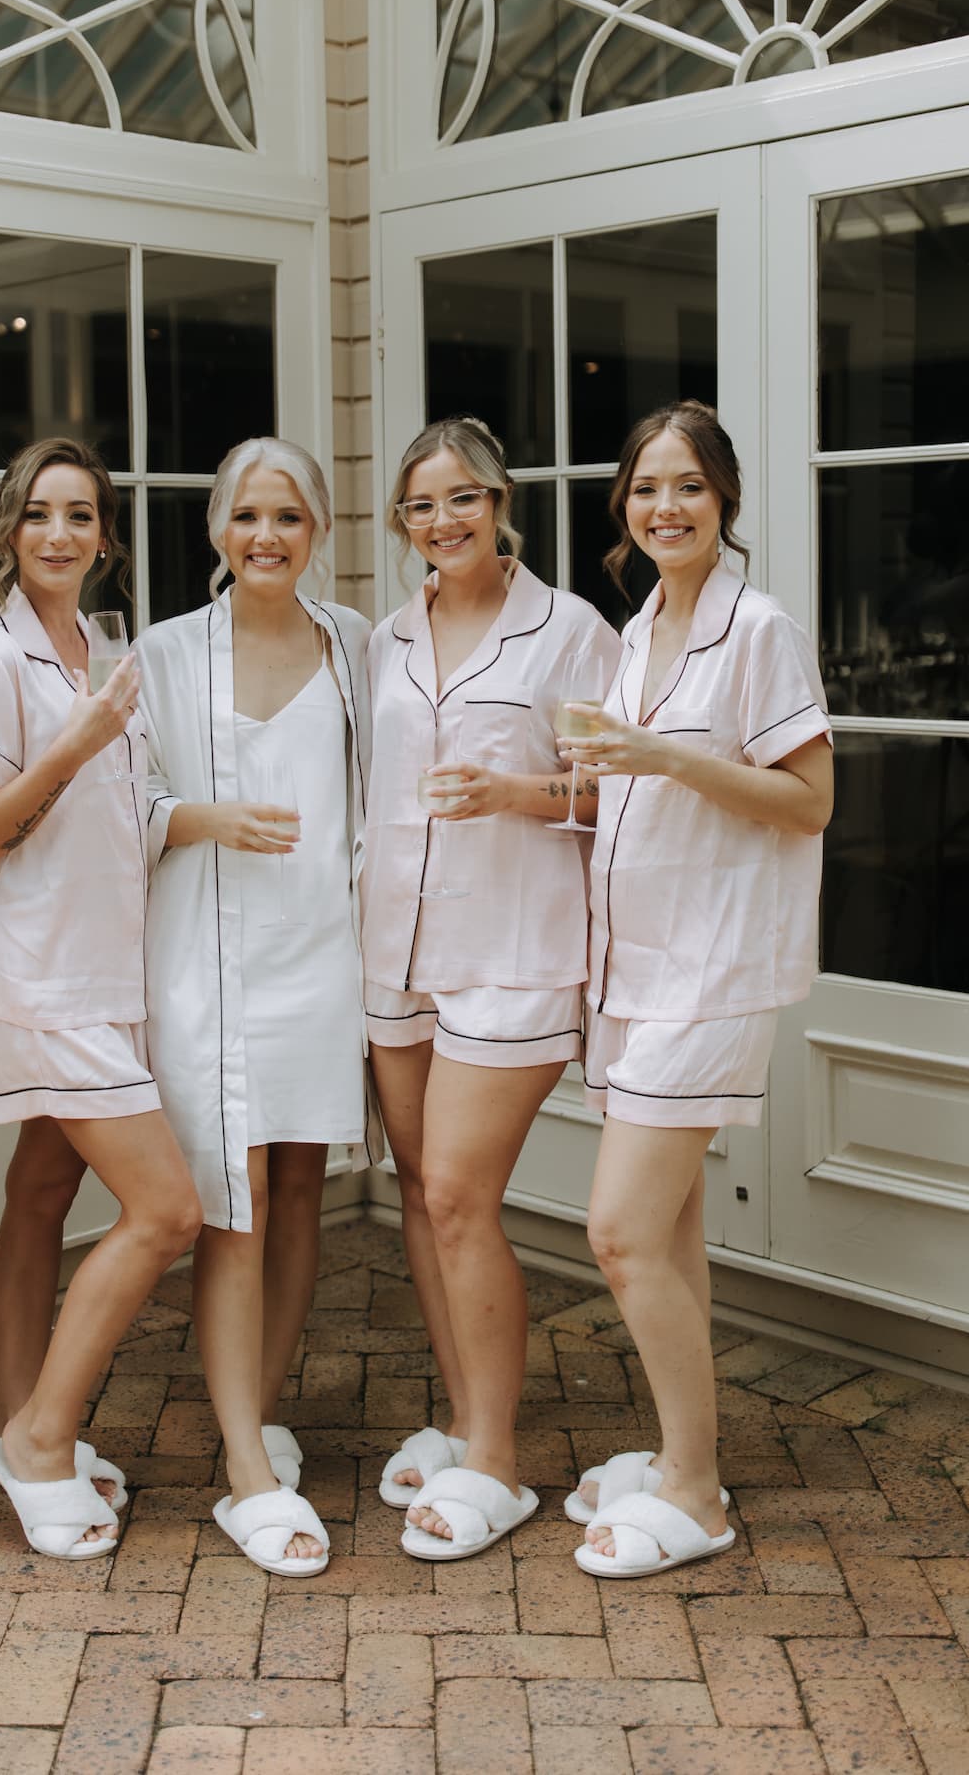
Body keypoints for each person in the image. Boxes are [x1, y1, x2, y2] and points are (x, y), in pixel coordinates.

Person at [562, 400, 832, 1579]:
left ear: (722, 499)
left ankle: (696, 1492)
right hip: (634, 962)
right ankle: (684, 1448)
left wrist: (665, 753)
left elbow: (808, 799)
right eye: (644, 488)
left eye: (686, 487)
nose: (663, 507)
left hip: (711, 967)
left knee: (616, 1234)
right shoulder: (636, 630)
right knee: (667, 1232)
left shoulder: (757, 628)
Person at [363, 416, 620, 1561]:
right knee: (422, 1190)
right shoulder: (385, 637)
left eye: (461, 497)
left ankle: (497, 1460)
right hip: (396, 946)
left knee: (462, 1195)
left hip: (513, 952)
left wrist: (518, 794)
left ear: (500, 499)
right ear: (400, 524)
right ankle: (464, 1415)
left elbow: (619, 796)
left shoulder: (567, 630)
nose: (443, 521)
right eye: (421, 506)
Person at [0, 437, 202, 1561]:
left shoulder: (103, 646)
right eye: (40, 514)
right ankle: (43, 1439)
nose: (60, 533)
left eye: (81, 514)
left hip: (114, 967)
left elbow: (126, 813)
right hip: (44, 978)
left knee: (42, 1190)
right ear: (10, 530)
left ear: (106, 535)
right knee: (165, 1212)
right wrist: (75, 741)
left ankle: (18, 1422)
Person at [138, 437, 379, 1577]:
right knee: (228, 1199)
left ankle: (263, 1405)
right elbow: (121, 801)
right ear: (215, 529)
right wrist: (203, 817)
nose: (265, 537)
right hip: (213, 962)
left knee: (296, 1189)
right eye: (245, 516)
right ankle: (243, 1465)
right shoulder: (169, 653)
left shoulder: (356, 648)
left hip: (321, 957)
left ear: (319, 528)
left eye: (287, 516)